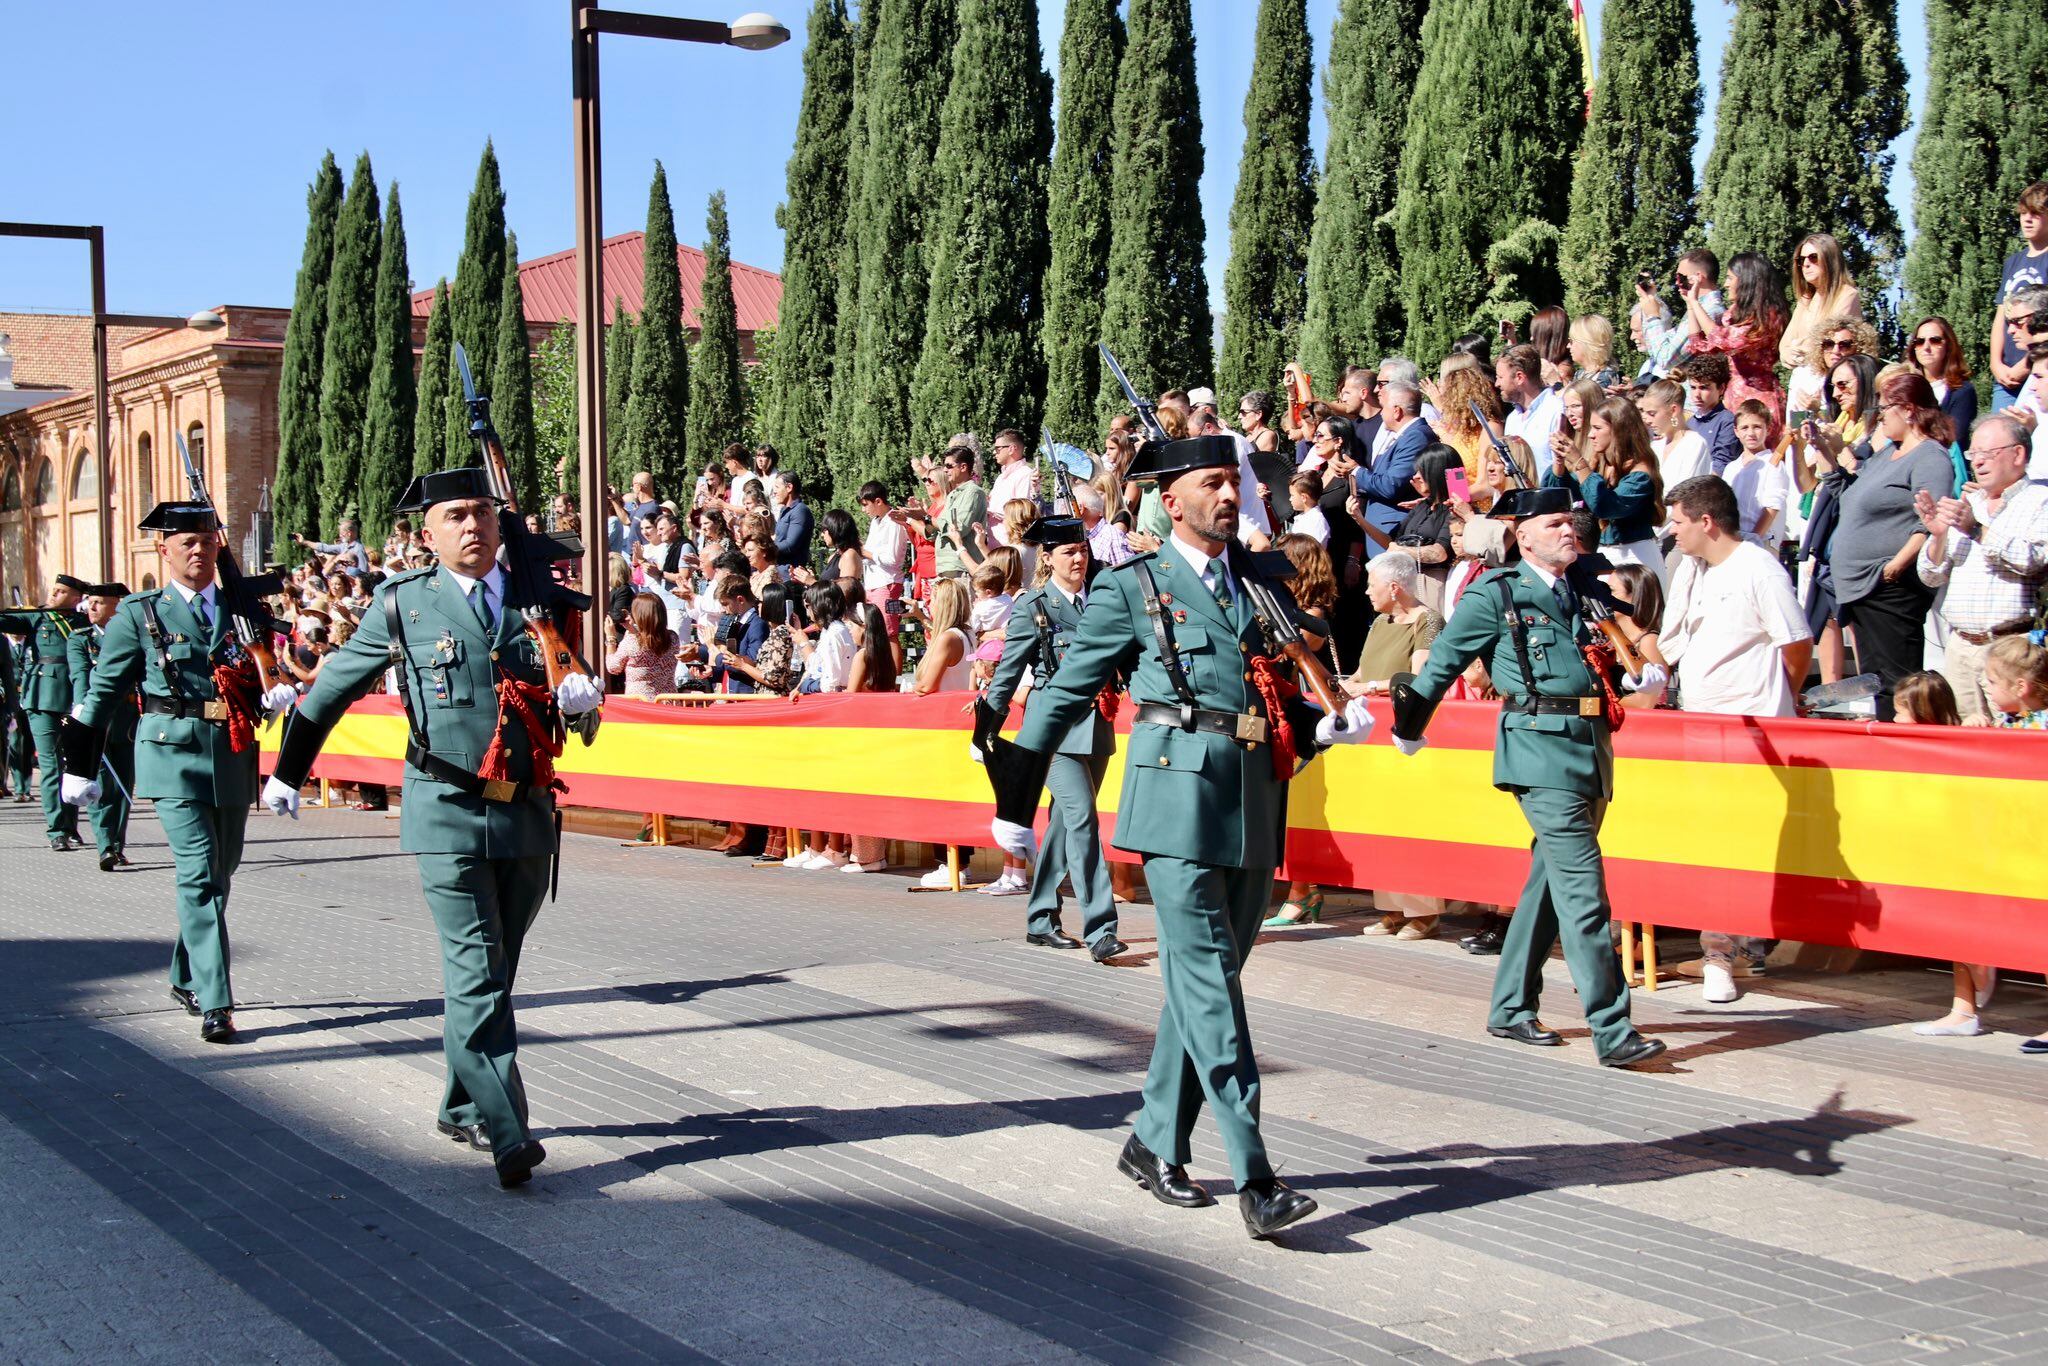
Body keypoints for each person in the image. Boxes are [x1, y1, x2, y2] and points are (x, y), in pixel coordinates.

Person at [1011, 433, 1373, 1240]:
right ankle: (1256, 1175)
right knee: (1212, 984)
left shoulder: (1259, 582)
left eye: (1231, 482)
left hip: (1250, 798)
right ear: (1169, 500)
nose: (1229, 495)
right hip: (1175, 799)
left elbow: (1271, 689)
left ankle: (1151, 1141)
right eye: (1211, 483)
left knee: (1201, 982)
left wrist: (1326, 723)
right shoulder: (1135, 585)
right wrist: (1013, 788)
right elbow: (1064, 691)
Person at [262, 468, 604, 1188]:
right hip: (444, 809)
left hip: (526, 811)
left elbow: (582, 723)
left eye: (481, 511)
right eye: (454, 516)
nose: (471, 525)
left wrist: (582, 702)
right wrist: (288, 772)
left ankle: (457, 1103)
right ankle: (507, 1128)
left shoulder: (539, 603)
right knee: (477, 968)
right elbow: (326, 695)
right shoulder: (401, 607)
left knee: (496, 971)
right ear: (427, 535)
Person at [1388, 486, 1669, 1070]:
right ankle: (1611, 1027)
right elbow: (1441, 663)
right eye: (1555, 524)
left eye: (1572, 523)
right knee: (1585, 893)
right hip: (1538, 752)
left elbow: (1619, 644)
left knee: (1550, 882)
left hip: (1590, 749)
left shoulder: (1586, 589)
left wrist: (1639, 668)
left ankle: (1512, 1006)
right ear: (1524, 536)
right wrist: (1410, 726)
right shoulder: (1496, 594)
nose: (1569, 531)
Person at [59, 505, 298, 1043]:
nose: (199, 550)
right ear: (163, 550)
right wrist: (76, 763)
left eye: (208, 540)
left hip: (231, 752)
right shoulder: (141, 614)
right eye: (186, 542)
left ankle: (184, 973)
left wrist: (274, 693)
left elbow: (261, 674)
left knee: (221, 871)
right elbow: (103, 692)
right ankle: (218, 1002)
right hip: (170, 753)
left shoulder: (242, 608)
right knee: (198, 874)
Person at [1658, 476, 1812, 1001]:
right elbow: (1671, 645)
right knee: (1708, 841)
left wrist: (1778, 704)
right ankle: (1717, 947)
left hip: (1751, 730)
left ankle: (1731, 951)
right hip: (1700, 725)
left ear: (1706, 522)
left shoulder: (1759, 568)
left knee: (1738, 842)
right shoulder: (1691, 570)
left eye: (1677, 521)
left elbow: (1796, 643)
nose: (1670, 531)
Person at [983, 518, 1125, 960]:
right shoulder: (1034, 607)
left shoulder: (1102, 602)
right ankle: (1101, 929)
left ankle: (1041, 918)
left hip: (1096, 726)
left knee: (1065, 827)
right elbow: (1007, 674)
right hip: (1052, 731)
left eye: (1082, 550)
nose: (1079, 558)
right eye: (1068, 553)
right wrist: (986, 729)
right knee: (1082, 819)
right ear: (1047, 558)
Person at [1809, 373, 1958, 717]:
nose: (1879, 415)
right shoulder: (1887, 454)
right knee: (1878, 683)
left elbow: (1931, 521)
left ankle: (1908, 758)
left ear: (1907, 410)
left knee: (1899, 684)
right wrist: (1823, 450)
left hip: (1891, 589)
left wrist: (1895, 566)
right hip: (1866, 589)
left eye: (1885, 408)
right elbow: (1846, 494)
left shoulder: (1929, 457)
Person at [1915, 414, 2048, 720]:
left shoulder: (2040, 500)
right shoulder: (1970, 503)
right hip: (1959, 646)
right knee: (1965, 740)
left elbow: (2034, 561)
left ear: (2018, 454)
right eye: (1972, 454)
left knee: (2013, 743)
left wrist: (1977, 531)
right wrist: (1937, 536)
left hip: (2010, 651)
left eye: (1987, 454)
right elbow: (1931, 575)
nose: (1977, 463)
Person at [1345, 550, 1448, 941]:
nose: (1367, 592)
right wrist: (1346, 683)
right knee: (1380, 818)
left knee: (1412, 818)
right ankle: (1391, 907)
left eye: (1372, 584)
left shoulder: (1428, 620)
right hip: (1371, 726)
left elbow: (1419, 677)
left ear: (1393, 587)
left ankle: (1423, 912)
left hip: (1406, 728)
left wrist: (1367, 687)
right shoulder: (1377, 622)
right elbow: (1362, 670)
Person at [0, 574, 89, 850]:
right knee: (51, 766)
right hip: (41, 699)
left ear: (76, 599)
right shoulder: (37, 618)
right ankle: (57, 830)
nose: (53, 595)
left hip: (74, 700)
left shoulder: (81, 623)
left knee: (72, 767)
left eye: (61, 592)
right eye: (54, 589)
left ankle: (71, 824)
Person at [1549, 398, 1668, 588]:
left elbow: (1606, 506)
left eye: (1597, 428)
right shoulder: (1605, 464)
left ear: (1618, 431)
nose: (1590, 435)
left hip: (1636, 560)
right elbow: (1565, 495)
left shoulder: (1641, 475)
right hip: (1607, 557)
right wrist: (1559, 462)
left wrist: (1580, 463)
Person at [66, 582, 138, 870]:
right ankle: (106, 845)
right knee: (100, 782)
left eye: (98, 602)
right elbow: (80, 675)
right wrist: (84, 712)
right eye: (89, 602)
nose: (91, 608)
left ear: (116, 606)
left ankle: (118, 843)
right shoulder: (81, 639)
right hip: (96, 719)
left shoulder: (134, 634)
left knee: (123, 785)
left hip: (128, 718)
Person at [1686, 251, 1788, 435]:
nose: (1726, 284)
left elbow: (1723, 339)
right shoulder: (1737, 315)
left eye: (1730, 278)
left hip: (1758, 405)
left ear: (1746, 280)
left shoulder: (1767, 317)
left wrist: (1695, 303)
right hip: (1733, 400)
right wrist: (1690, 304)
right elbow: (1701, 348)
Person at [1781, 233, 1862, 416]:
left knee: (1822, 434)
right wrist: (1791, 350)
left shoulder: (1847, 295)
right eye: (1801, 260)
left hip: (1830, 382)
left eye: (1813, 257)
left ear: (1830, 259)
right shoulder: (1806, 299)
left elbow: (1824, 341)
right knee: (1796, 437)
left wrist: (1800, 346)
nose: (1806, 264)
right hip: (1802, 380)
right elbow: (1785, 346)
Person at [1991, 182, 2048, 411]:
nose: (2027, 219)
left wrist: (2026, 364)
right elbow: (2000, 316)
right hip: (2005, 376)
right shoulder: (2013, 262)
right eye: (2024, 213)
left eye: (2036, 213)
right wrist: (1996, 363)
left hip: (2039, 369)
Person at [1726, 400, 1795, 552]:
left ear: (1768, 429)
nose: (1750, 433)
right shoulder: (1731, 468)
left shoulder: (1773, 465)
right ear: (1736, 431)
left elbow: (1772, 506)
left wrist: (1754, 538)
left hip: (1761, 542)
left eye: (1757, 427)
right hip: (1734, 540)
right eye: (1744, 427)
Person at [604, 593, 690, 699]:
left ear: (639, 616)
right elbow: (650, 641)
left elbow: (613, 667)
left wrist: (611, 638)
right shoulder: (673, 638)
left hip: (641, 706)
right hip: (667, 703)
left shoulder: (632, 642)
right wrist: (632, 629)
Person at [1909, 316, 1979, 444]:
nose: (1926, 347)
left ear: (1948, 346)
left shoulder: (1962, 391)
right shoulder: (1907, 388)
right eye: (1919, 341)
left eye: (1935, 340)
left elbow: (1954, 439)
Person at [1638, 377, 1711, 490]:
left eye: (1652, 414)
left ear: (1673, 410)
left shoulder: (1695, 444)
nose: (1646, 420)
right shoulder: (1656, 445)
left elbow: (1688, 492)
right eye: (1644, 413)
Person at [1675, 353, 1741, 474]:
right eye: (1693, 387)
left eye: (1704, 388)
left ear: (1721, 388)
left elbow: (1721, 464)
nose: (1696, 395)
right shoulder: (1690, 422)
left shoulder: (1727, 421)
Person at [1497, 344, 1562, 456]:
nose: (1497, 384)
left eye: (1500, 377)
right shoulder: (1512, 419)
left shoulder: (1556, 411)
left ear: (1519, 378)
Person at [1976, 631, 2048, 731]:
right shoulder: (2007, 719)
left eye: (1992, 682)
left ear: (2020, 687)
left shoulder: (2043, 727)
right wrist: (1973, 728)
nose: (1988, 688)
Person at [986, 430, 1041, 544]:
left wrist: (992, 512)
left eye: (998, 448)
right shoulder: (1001, 477)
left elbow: (1021, 514)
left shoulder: (1025, 474)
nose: (994, 452)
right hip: (994, 544)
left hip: (1010, 545)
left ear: (1011, 448)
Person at [293, 517, 371, 576]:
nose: (340, 536)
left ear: (349, 533)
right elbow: (325, 548)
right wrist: (304, 542)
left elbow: (364, 572)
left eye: (341, 533)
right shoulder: (344, 546)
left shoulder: (358, 549)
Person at [769, 472, 815, 568]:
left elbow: (790, 545)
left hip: (790, 574)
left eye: (777, 487)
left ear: (789, 487)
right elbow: (779, 539)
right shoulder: (785, 510)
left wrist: (764, 548)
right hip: (779, 570)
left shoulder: (800, 511)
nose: (774, 492)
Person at [1569, 314, 1619, 390]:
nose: (1568, 346)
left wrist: (1556, 383)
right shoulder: (1579, 374)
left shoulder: (1605, 377)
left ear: (1586, 343)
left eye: (1571, 341)